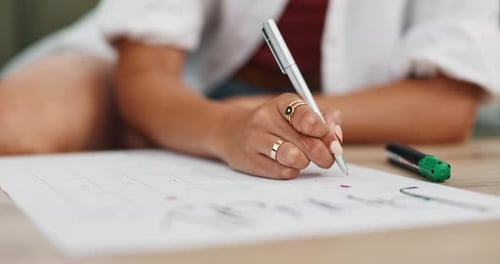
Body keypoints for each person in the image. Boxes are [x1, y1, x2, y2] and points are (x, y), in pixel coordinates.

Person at [1, 0, 499, 180]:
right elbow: (145, 76)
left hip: (359, 99)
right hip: (166, 77)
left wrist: (273, 118)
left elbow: (445, 102)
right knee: (15, 128)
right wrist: (223, 124)